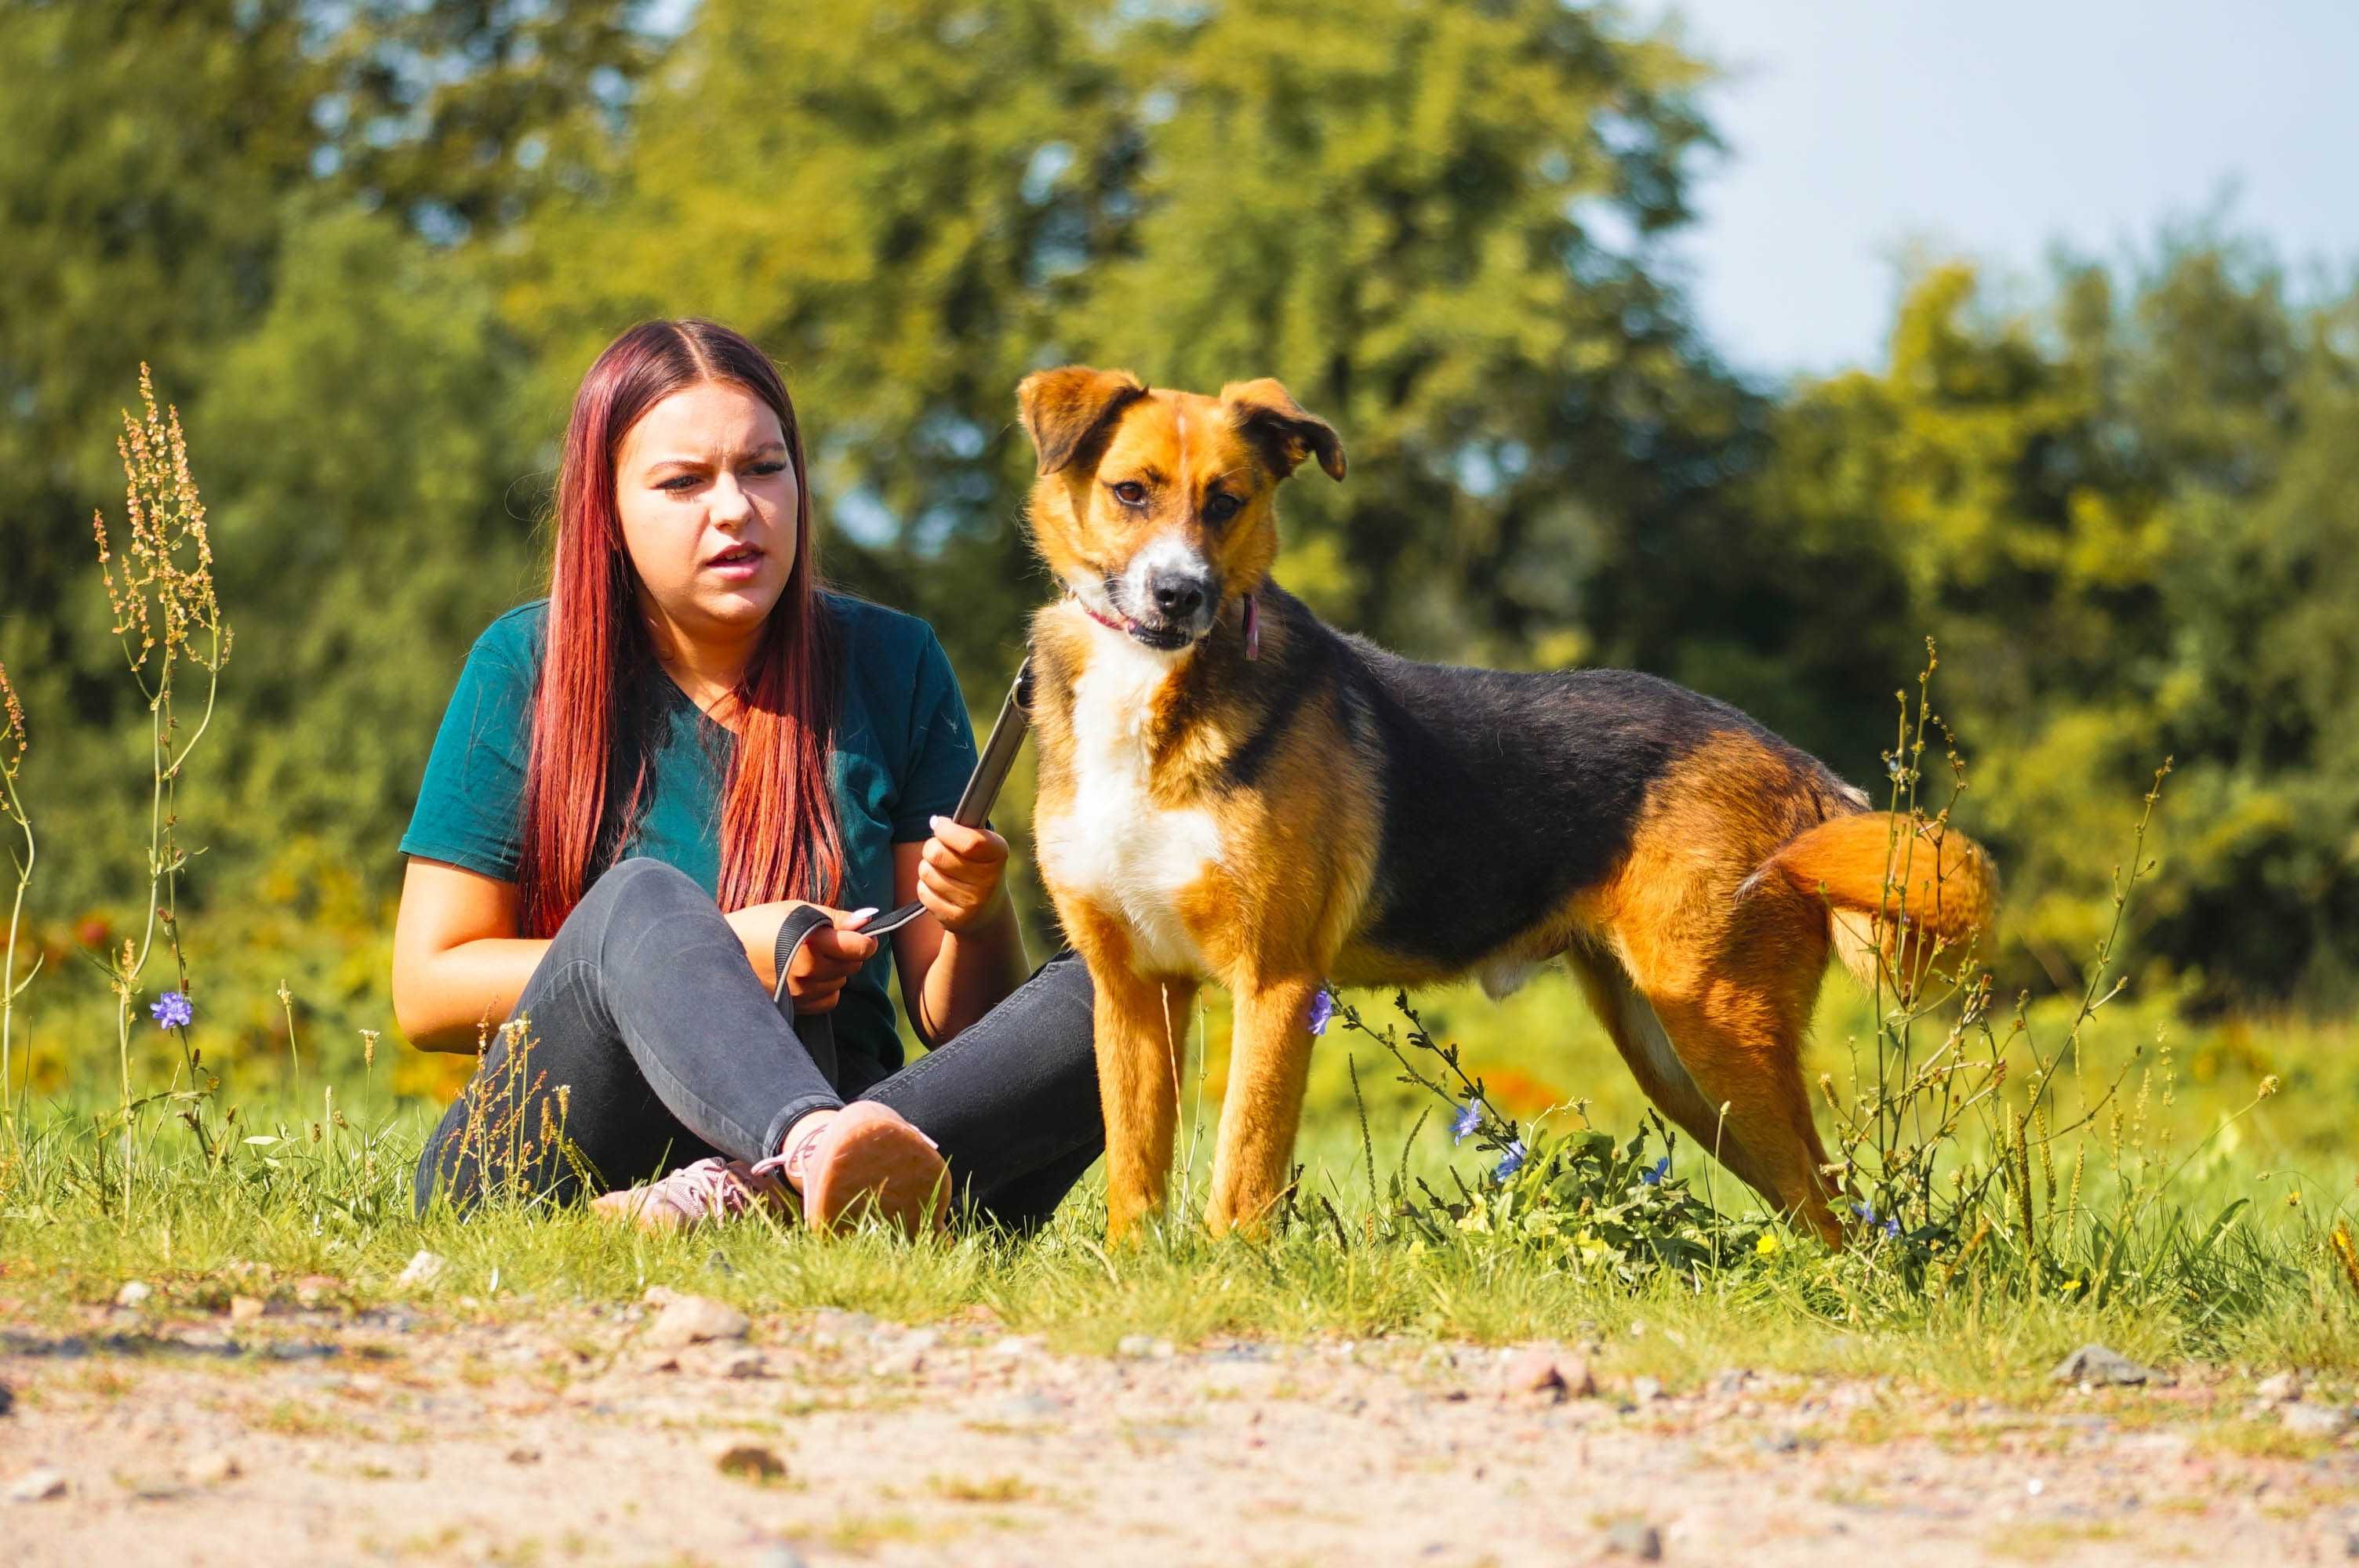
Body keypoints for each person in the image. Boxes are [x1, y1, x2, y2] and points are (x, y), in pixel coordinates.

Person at [392, 318, 1101, 1235]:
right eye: (682, 482)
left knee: (1122, 990)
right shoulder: (520, 665)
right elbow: (427, 988)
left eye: (763, 469)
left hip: (867, 1120)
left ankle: (759, 1196)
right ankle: (802, 1156)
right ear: (606, 509)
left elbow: (958, 1026)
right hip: (555, 1161)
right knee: (643, 899)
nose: (734, 508)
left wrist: (975, 913)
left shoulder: (892, 660)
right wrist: (719, 950)